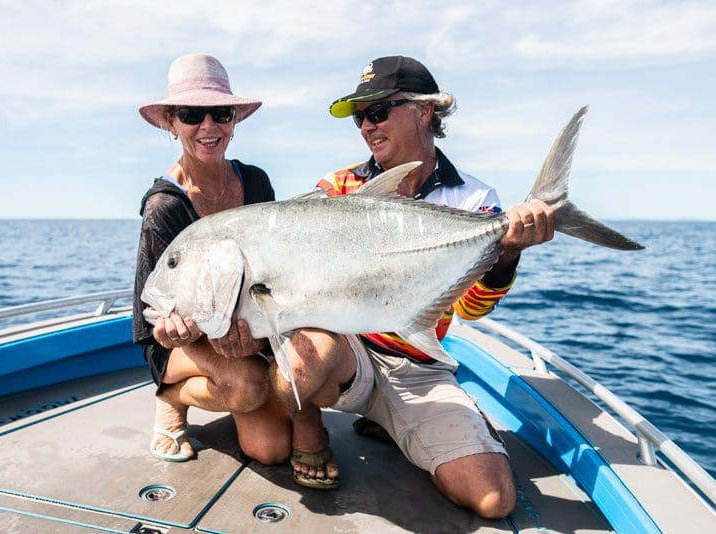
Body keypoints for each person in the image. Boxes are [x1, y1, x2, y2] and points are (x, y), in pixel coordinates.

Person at [270, 56, 554, 518]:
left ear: (425, 111)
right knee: (301, 359)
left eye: (378, 111)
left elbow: (473, 310)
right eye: (360, 116)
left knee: (493, 499)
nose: (366, 125)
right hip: (348, 354)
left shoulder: (475, 200)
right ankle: (311, 432)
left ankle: (401, 421)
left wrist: (508, 253)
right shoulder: (339, 187)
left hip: (420, 369)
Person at [132, 54, 291, 466]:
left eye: (220, 113)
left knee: (272, 450)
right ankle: (171, 397)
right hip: (183, 347)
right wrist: (175, 334)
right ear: (171, 122)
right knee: (247, 387)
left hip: (251, 335)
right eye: (190, 114)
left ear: (234, 121)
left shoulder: (256, 181)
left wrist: (258, 338)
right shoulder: (164, 207)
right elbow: (151, 324)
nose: (208, 126)